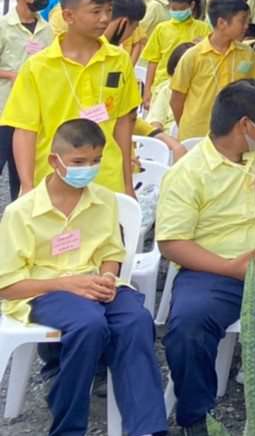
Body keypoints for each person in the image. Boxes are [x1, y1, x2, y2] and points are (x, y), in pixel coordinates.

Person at [0, 118, 168, 436]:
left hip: (96, 285)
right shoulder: (21, 212)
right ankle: (68, 427)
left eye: (95, 161)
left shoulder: (103, 200)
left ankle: (148, 428)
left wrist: (107, 278)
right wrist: (66, 284)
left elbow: (111, 251)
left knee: (136, 320)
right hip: (43, 292)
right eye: (78, 162)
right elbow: (7, 285)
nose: (88, 169)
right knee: (89, 324)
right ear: (55, 161)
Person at [156, 81, 255, 435]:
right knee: (187, 328)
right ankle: (197, 419)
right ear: (245, 124)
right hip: (211, 271)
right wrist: (231, 268)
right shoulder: (188, 172)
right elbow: (172, 243)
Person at [2, 0, 139, 197]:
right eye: (96, 11)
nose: (105, 19)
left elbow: (124, 122)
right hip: (52, 178)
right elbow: (25, 130)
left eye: (109, 10)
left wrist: (127, 184)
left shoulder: (119, 60)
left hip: (107, 180)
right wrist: (26, 186)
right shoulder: (38, 67)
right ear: (68, 15)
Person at [170, 0, 255, 141]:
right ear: (221, 23)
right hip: (197, 135)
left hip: (234, 134)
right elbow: (176, 100)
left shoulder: (247, 54)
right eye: (242, 21)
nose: (246, 26)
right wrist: (187, 126)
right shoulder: (193, 56)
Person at [1, 0, 54, 199]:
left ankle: (18, 211)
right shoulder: (4, 27)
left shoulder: (47, 29)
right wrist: (12, 76)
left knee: (22, 170)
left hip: (32, 113)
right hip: (4, 109)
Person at [139, 0, 209, 97]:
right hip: (163, 85)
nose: (177, 12)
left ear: (192, 5)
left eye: (181, 9)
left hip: (192, 86)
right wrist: (147, 91)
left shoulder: (204, 29)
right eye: (174, 9)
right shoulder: (161, 29)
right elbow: (153, 61)